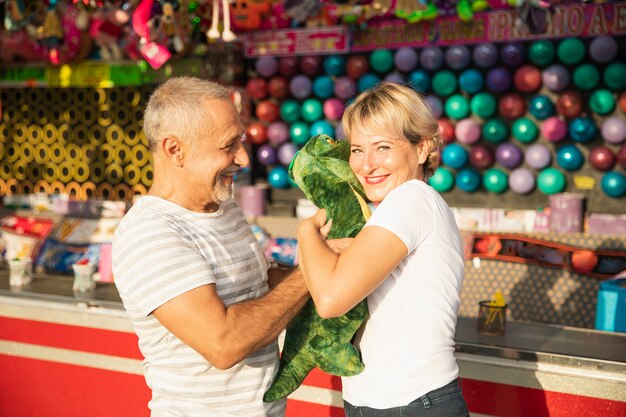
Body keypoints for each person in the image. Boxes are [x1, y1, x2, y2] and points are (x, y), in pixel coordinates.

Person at [112, 76, 308, 417]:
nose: (244, 159)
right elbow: (224, 343)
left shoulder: (224, 208)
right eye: (229, 145)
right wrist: (310, 276)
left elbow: (261, 290)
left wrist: (328, 254)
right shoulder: (149, 232)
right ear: (175, 150)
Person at [296, 82, 469, 417]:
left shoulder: (411, 199)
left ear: (422, 149)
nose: (366, 165)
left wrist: (306, 233)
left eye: (383, 147)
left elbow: (331, 298)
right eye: (358, 150)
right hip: (387, 401)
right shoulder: (396, 207)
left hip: (411, 402)